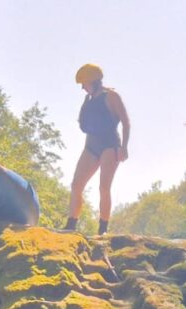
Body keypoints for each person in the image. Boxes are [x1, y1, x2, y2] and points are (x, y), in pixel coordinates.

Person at [65, 63, 129, 235]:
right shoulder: (89, 100)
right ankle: (71, 224)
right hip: (91, 145)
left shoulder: (111, 96)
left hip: (110, 145)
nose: (83, 88)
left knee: (103, 187)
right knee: (76, 184)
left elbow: (125, 121)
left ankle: (102, 229)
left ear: (93, 81)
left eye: (84, 84)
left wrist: (124, 147)